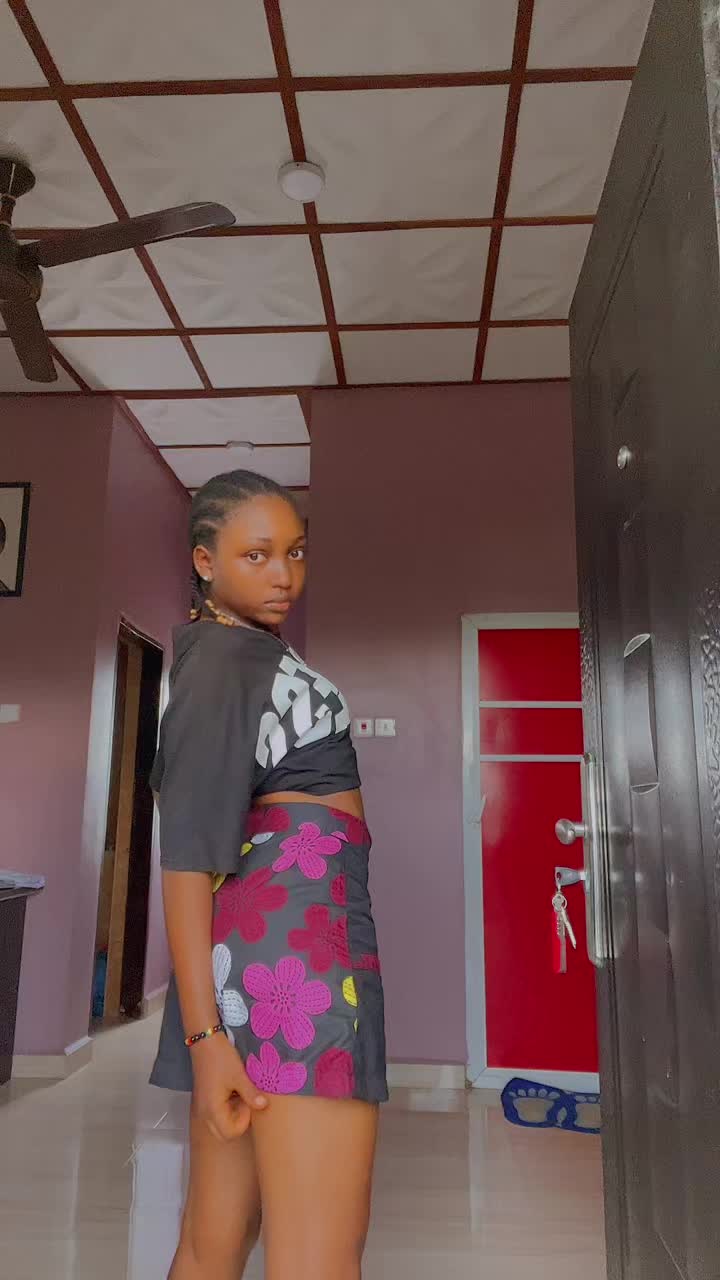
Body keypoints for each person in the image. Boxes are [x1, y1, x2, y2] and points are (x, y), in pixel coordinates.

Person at [150, 470, 387, 1280]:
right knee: (320, 1257)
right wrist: (205, 1040)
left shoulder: (239, 655)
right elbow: (186, 859)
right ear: (205, 561)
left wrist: (211, 1030)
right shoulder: (224, 662)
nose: (283, 574)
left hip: (262, 961)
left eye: (295, 552)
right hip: (300, 968)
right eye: (256, 555)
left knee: (212, 1242)